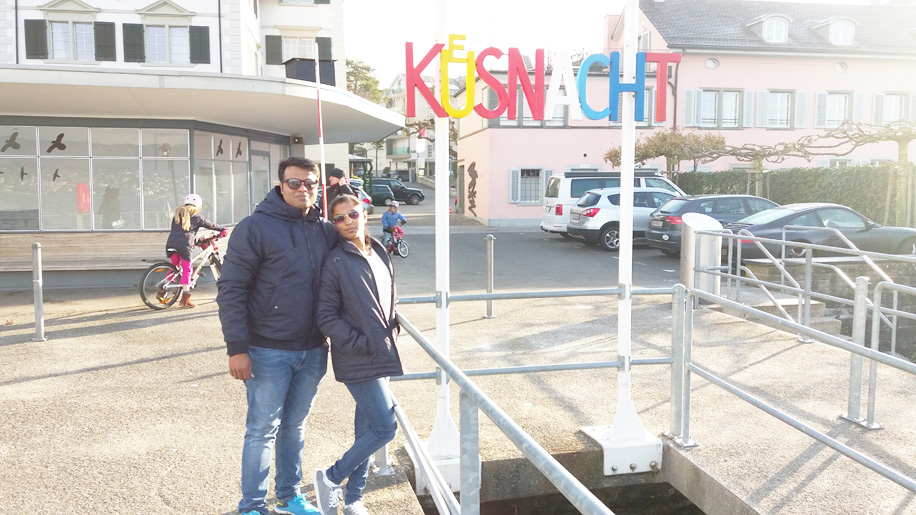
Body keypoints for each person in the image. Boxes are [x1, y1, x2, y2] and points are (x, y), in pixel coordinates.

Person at [217, 157, 338, 515]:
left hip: (313, 350)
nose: (303, 189)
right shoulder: (254, 227)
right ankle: (252, 506)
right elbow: (232, 289)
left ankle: (289, 495)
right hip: (266, 349)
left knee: (295, 426)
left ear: (318, 186)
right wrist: (237, 348)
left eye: (310, 183)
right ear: (280, 186)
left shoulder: (325, 229)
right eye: (294, 183)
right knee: (261, 429)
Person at [314, 194, 403, 515]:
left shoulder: (378, 250)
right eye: (339, 218)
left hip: (382, 351)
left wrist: (392, 327)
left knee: (366, 431)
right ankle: (331, 477)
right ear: (334, 225)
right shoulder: (336, 261)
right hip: (359, 356)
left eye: (352, 214)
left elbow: (388, 295)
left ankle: (353, 498)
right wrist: (360, 343)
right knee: (385, 428)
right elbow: (325, 316)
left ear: (364, 214)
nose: (347, 221)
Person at [163, 193, 226, 308]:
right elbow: (209, 225)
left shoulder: (177, 215)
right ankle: (185, 299)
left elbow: (182, 233)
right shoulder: (196, 217)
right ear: (198, 206)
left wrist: (196, 240)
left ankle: (162, 290)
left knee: (175, 268)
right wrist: (222, 229)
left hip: (171, 244)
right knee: (187, 269)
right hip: (184, 247)